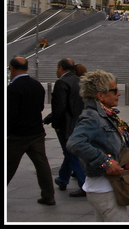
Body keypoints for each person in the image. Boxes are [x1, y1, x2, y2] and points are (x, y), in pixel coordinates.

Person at [67, 69, 129, 222]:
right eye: (114, 90)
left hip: (107, 186)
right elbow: (75, 143)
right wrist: (106, 161)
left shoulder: (106, 114)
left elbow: (106, 142)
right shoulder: (92, 116)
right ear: (100, 95)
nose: (119, 94)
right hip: (104, 188)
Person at [7, 56, 56, 206]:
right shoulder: (37, 85)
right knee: (42, 164)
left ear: (12, 69)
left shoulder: (13, 88)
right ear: (27, 68)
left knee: (8, 165)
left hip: (18, 135)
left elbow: (10, 114)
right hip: (36, 132)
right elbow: (40, 108)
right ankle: (49, 195)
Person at [45, 57, 86, 195]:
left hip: (66, 125)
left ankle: (84, 185)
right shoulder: (79, 81)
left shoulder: (61, 82)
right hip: (78, 122)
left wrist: (56, 124)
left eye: (57, 68)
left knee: (71, 153)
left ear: (61, 68)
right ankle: (63, 179)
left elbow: (60, 107)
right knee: (70, 152)